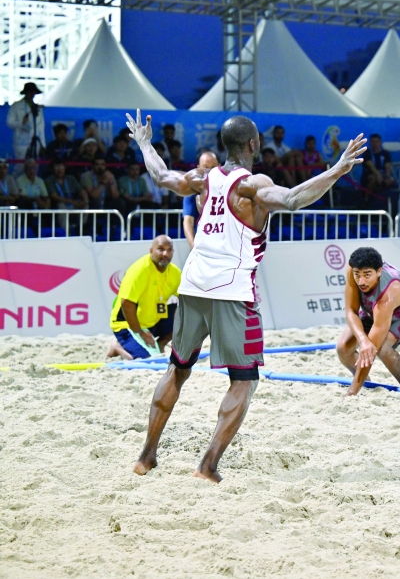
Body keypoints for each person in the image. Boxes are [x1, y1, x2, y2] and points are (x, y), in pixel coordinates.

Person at [127, 109, 366, 482]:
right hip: (232, 290)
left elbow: (161, 175)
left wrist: (144, 142)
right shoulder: (251, 184)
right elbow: (291, 199)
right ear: (254, 144)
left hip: (192, 285)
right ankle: (207, 466)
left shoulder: (203, 179)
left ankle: (146, 457)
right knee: (244, 380)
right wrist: (335, 171)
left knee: (177, 368)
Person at [338, 246, 400, 396]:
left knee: (381, 348)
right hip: (375, 310)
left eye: (367, 275)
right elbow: (351, 311)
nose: (361, 281)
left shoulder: (388, 292)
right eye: (357, 275)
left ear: (379, 272)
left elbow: (371, 350)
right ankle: (363, 379)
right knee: (343, 348)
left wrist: (351, 393)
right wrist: (362, 340)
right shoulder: (352, 269)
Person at [106, 236, 182, 360]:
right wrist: (140, 333)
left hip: (153, 321)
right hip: (126, 324)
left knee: (184, 309)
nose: (165, 254)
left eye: (169, 250)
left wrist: (180, 334)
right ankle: (117, 347)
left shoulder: (174, 272)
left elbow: (186, 300)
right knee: (146, 359)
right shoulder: (140, 270)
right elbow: (126, 303)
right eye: (161, 249)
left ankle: (161, 344)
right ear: (151, 251)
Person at [182, 151, 221, 248]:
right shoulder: (191, 190)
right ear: (198, 168)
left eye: (213, 167)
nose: (210, 171)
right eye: (205, 167)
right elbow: (188, 221)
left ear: (220, 166)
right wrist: (193, 247)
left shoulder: (229, 187)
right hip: (202, 245)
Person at [6, 82, 45, 161]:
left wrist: (42, 145)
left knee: (34, 167)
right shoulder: (16, 106)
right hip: (21, 142)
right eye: (29, 92)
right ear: (25, 93)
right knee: (20, 166)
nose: (31, 94)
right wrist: (21, 122)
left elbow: (41, 127)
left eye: (33, 92)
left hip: (36, 142)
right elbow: (9, 122)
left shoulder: (38, 108)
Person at [361, 133, 394, 203]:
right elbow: (370, 165)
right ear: (370, 143)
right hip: (369, 176)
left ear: (380, 143)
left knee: (391, 180)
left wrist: (387, 177)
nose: (375, 144)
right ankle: (366, 200)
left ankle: (385, 201)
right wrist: (378, 175)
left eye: (377, 141)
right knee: (373, 178)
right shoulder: (367, 153)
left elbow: (388, 166)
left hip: (382, 175)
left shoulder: (385, 153)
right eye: (373, 141)